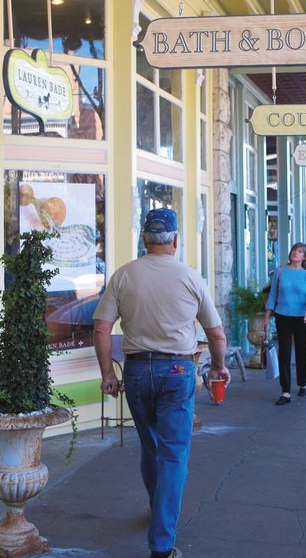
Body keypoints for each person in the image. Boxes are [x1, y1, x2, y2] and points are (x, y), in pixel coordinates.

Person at [92, 208, 229, 558]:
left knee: (151, 447)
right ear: (176, 240)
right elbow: (215, 332)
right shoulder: (190, 277)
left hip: (137, 372)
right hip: (177, 373)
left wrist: (108, 374)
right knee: (173, 454)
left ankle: (159, 510)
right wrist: (218, 366)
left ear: (143, 239)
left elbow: (102, 328)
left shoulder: (123, 275)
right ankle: (162, 543)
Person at [265, 242, 306, 405]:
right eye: (294, 250)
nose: (296, 253)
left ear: (305, 256)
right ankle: (285, 391)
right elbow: (273, 294)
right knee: (285, 353)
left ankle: (303, 383)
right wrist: (267, 316)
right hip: (283, 315)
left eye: (300, 251)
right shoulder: (281, 271)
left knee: (303, 352)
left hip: (303, 317)